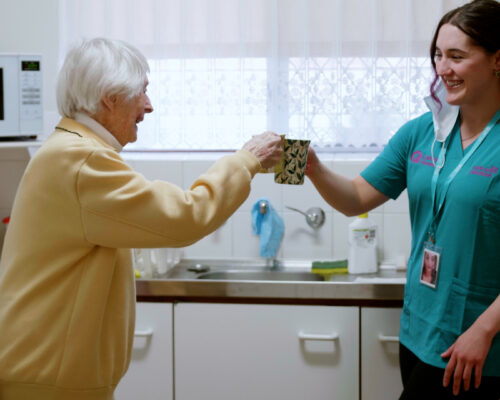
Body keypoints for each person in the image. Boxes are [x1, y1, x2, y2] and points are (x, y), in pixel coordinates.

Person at [0, 37, 282, 400]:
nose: (149, 106)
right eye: (142, 92)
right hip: (48, 379)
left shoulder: (72, 150)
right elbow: (184, 217)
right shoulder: (81, 160)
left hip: (45, 373)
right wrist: (247, 160)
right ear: (110, 97)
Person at [305, 0, 500, 398]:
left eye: (457, 57)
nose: (442, 69)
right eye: (438, 55)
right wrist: (313, 167)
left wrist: (483, 330)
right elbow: (356, 198)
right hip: (417, 334)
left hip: (480, 349)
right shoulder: (422, 133)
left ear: (497, 59)